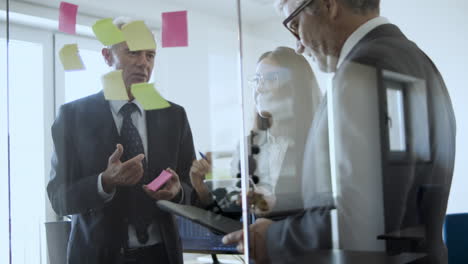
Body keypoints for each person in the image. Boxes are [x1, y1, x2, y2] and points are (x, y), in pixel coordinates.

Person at [222, 1, 456, 264]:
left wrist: (274, 239)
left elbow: (361, 222)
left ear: (329, 5)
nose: (298, 45)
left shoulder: (361, 69)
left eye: (295, 25)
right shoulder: (417, 60)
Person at [47, 17, 198, 264]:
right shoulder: (73, 117)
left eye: (150, 55)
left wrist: (178, 191)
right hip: (98, 256)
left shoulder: (174, 116)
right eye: (133, 52)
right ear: (107, 56)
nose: (143, 63)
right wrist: (103, 182)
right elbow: (58, 198)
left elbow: (192, 190)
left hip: (162, 255)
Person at [190, 47, 322, 216]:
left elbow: (328, 203)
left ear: (295, 86)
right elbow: (234, 216)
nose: (259, 88)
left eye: (271, 79)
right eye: (257, 80)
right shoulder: (247, 146)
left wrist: (275, 203)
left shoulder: (318, 141)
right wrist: (202, 188)